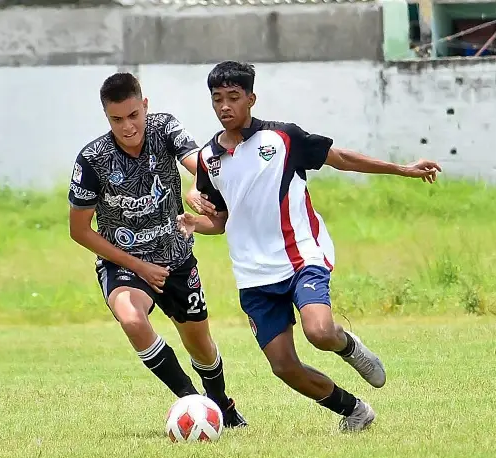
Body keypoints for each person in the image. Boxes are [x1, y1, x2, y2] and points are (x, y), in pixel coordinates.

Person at [177, 61, 442, 432]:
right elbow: (220, 220)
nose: (224, 106)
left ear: (251, 98)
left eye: (233, 97)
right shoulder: (209, 159)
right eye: (217, 99)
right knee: (283, 366)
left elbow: (342, 158)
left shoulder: (284, 138)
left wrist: (401, 168)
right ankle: (354, 411)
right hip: (253, 276)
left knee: (319, 332)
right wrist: (195, 223)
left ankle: (347, 345)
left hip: (300, 256)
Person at [68, 72, 246, 427]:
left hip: (177, 259)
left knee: (202, 348)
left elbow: (201, 162)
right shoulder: (92, 160)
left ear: (144, 106)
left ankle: (221, 405)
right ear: (106, 116)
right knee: (132, 319)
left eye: (134, 115)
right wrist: (138, 265)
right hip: (125, 265)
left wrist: (198, 186)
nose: (128, 126)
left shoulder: (164, 129)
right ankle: (191, 403)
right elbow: (79, 231)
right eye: (117, 119)